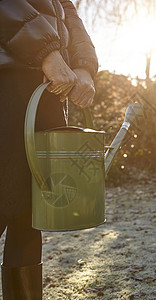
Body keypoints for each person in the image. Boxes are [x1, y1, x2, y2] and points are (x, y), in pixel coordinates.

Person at [0, 0, 98, 299]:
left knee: (31, 212)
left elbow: (65, 6)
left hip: (47, 84)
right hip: (7, 78)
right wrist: (47, 51)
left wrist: (83, 65)